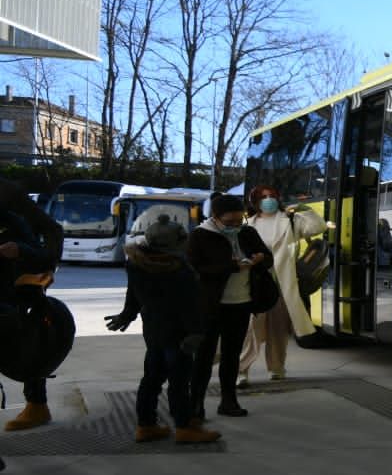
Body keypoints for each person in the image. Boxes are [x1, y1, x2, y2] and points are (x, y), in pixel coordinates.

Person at [104, 215, 221, 445]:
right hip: (180, 335)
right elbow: (190, 306)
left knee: (151, 379)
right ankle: (184, 427)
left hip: (154, 332)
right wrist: (197, 332)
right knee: (179, 381)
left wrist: (127, 315)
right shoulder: (180, 271)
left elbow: (134, 298)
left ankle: (145, 425)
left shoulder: (137, 265)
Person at [187, 193, 272, 420]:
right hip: (210, 305)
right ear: (215, 217)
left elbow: (268, 256)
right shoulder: (200, 235)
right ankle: (195, 405)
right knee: (204, 356)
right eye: (229, 222)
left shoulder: (247, 232)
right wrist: (232, 266)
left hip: (241, 302)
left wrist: (259, 260)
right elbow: (194, 270)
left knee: (232, 355)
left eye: (239, 220)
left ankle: (229, 401)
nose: (235, 226)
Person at [239, 184, 331, 386]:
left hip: (282, 285)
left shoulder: (290, 220)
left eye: (272, 195)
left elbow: (319, 228)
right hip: (256, 285)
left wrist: (307, 210)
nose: (269, 199)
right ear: (255, 201)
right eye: (263, 197)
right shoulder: (247, 223)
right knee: (250, 331)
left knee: (278, 331)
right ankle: (241, 371)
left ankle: (277, 368)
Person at [0, 178, 64, 431]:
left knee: (27, 342)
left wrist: (43, 271)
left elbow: (51, 231)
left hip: (13, 284)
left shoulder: (8, 196)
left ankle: (37, 404)